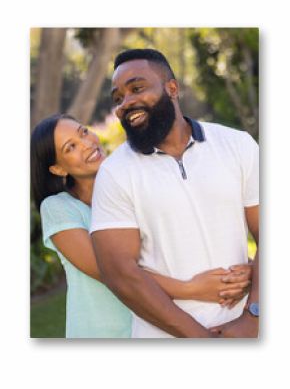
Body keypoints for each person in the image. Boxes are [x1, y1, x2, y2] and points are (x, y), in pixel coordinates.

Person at [31, 114, 251, 338]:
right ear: (58, 169)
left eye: (84, 132)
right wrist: (190, 289)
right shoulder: (58, 208)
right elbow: (111, 272)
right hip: (102, 334)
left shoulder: (129, 186)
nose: (87, 144)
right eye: (71, 147)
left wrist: (241, 271)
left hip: (155, 327)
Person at [90, 48, 259, 338]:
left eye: (137, 88)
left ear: (172, 88)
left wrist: (254, 317)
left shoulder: (238, 145)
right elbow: (120, 274)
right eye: (118, 98)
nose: (126, 103)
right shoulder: (114, 172)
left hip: (244, 330)